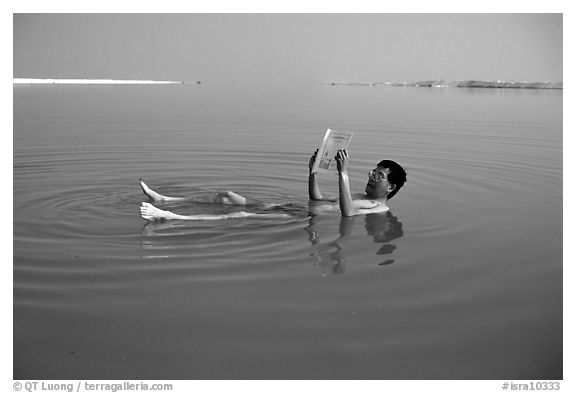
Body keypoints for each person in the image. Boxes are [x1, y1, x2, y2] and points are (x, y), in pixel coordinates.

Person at [139, 149, 406, 221]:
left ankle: (172, 217)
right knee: (228, 196)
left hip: (298, 216)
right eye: (373, 172)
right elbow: (319, 201)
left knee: (241, 214)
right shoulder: (359, 195)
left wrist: (343, 173)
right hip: (299, 208)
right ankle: (167, 200)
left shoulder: (378, 210)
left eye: (379, 176)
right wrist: (312, 171)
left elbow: (348, 213)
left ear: (390, 187)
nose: (372, 177)